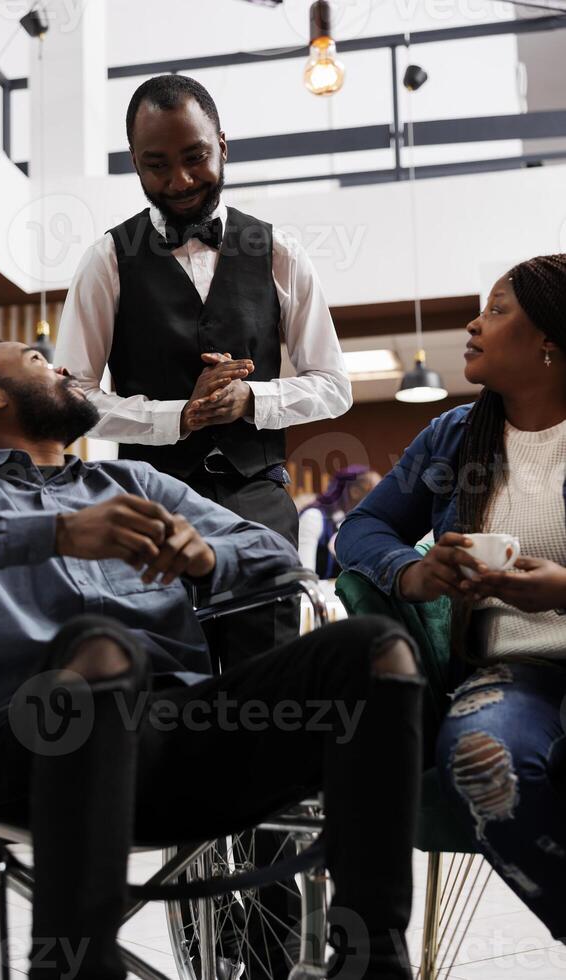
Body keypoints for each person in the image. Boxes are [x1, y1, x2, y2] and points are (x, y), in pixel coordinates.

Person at [0, 338, 422, 980]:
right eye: (38, 360)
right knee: (102, 649)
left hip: (181, 734)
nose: (66, 367)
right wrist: (55, 533)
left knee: (374, 651)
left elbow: (276, 555)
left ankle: (371, 961)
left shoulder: (139, 483)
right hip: (34, 743)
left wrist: (210, 558)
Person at [55, 73, 352, 659]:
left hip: (259, 499)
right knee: (167, 671)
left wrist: (253, 400)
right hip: (148, 500)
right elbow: (70, 398)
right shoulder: (107, 259)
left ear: (223, 145)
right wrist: (178, 417)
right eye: (157, 165)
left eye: (195, 157)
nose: (180, 181)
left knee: (265, 673)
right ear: (135, 164)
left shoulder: (280, 251)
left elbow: (333, 385)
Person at [336, 254, 566, 945]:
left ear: (550, 341)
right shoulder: (454, 437)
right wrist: (413, 573)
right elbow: (363, 529)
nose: (474, 323)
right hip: (511, 675)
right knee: (478, 761)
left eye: (498, 311)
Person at [298, 466, 381, 577]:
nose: (380, 499)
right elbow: (305, 575)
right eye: (374, 492)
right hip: (320, 591)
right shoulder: (313, 518)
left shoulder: (361, 524)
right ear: (355, 492)